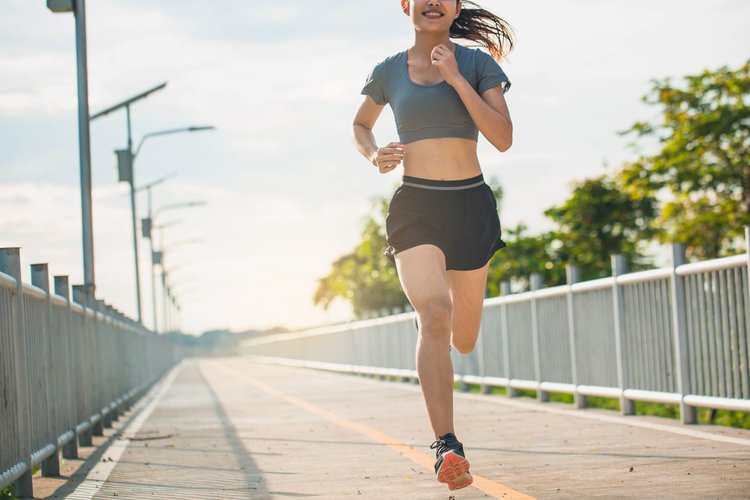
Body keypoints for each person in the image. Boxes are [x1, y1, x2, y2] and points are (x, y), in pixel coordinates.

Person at [351, 0, 514, 492]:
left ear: (456, 6)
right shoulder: (387, 70)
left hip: (470, 205)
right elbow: (360, 125)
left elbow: (503, 138)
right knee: (435, 312)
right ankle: (447, 444)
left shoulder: (477, 63)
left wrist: (457, 78)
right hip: (416, 205)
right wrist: (374, 153)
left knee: (462, 337)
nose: (433, 2)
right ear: (407, 5)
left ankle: (436, 330)